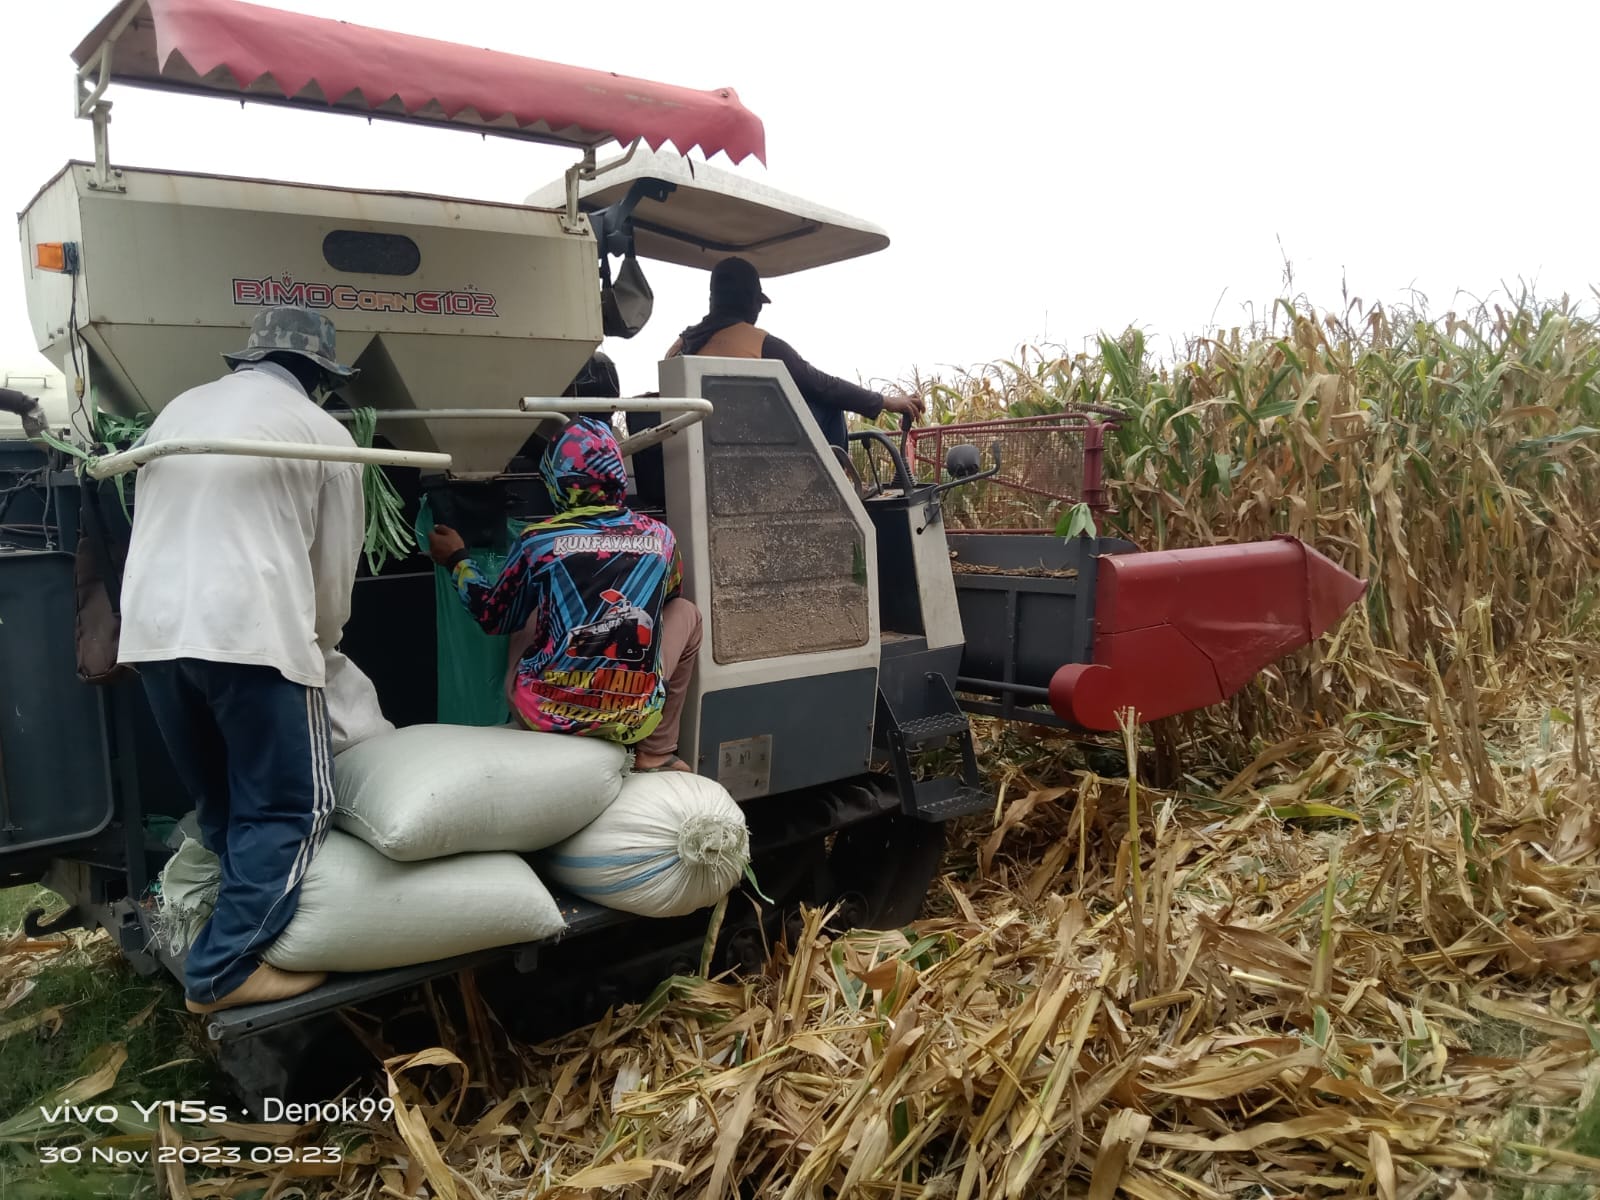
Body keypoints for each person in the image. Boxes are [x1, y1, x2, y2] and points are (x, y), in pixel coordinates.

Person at [117, 305, 381, 1014]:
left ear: (250, 359)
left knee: (223, 799)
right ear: (320, 377)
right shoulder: (323, 434)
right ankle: (224, 969)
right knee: (292, 806)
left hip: (152, 632)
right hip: (252, 634)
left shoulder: (178, 412)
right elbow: (332, 576)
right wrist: (317, 652)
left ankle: (236, 933)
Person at [428, 415, 701, 772]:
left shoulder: (537, 541)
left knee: (528, 609)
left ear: (556, 480)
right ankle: (657, 750)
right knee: (687, 612)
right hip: (632, 717)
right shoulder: (662, 538)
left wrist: (458, 560)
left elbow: (492, 617)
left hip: (543, 716)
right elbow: (668, 597)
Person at [666, 256, 925, 449]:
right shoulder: (762, 344)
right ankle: (835, 487)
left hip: (694, 455)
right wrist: (887, 402)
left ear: (714, 300)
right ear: (752, 302)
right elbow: (822, 385)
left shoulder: (681, 346)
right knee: (829, 404)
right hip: (751, 457)